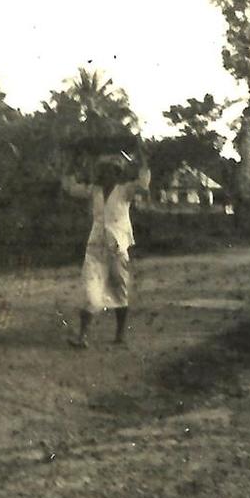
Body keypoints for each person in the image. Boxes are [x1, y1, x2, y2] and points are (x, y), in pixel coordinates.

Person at [61, 141, 151, 349]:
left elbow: (143, 183)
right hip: (96, 248)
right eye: (102, 170)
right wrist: (72, 161)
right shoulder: (94, 191)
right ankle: (82, 336)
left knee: (120, 292)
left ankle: (120, 335)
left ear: (117, 173)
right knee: (91, 293)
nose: (104, 174)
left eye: (110, 170)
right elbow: (70, 187)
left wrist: (142, 158)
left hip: (118, 248)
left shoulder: (125, 191)